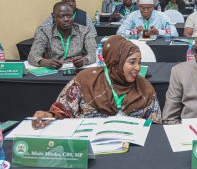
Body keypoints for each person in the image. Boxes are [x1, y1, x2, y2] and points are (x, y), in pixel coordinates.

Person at [31, 35, 161, 128]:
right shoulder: (86, 80)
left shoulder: (144, 88)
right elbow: (63, 111)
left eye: (139, 62)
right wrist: (48, 115)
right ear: (115, 62)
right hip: (89, 145)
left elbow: (155, 126)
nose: (137, 68)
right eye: (132, 62)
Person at [28, 2, 97, 69]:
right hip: (53, 72)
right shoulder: (44, 32)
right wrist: (46, 62)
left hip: (77, 70)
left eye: (69, 16)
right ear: (54, 17)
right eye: (62, 16)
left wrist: (85, 60)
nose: (66, 19)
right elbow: (33, 56)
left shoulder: (85, 31)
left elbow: (94, 53)